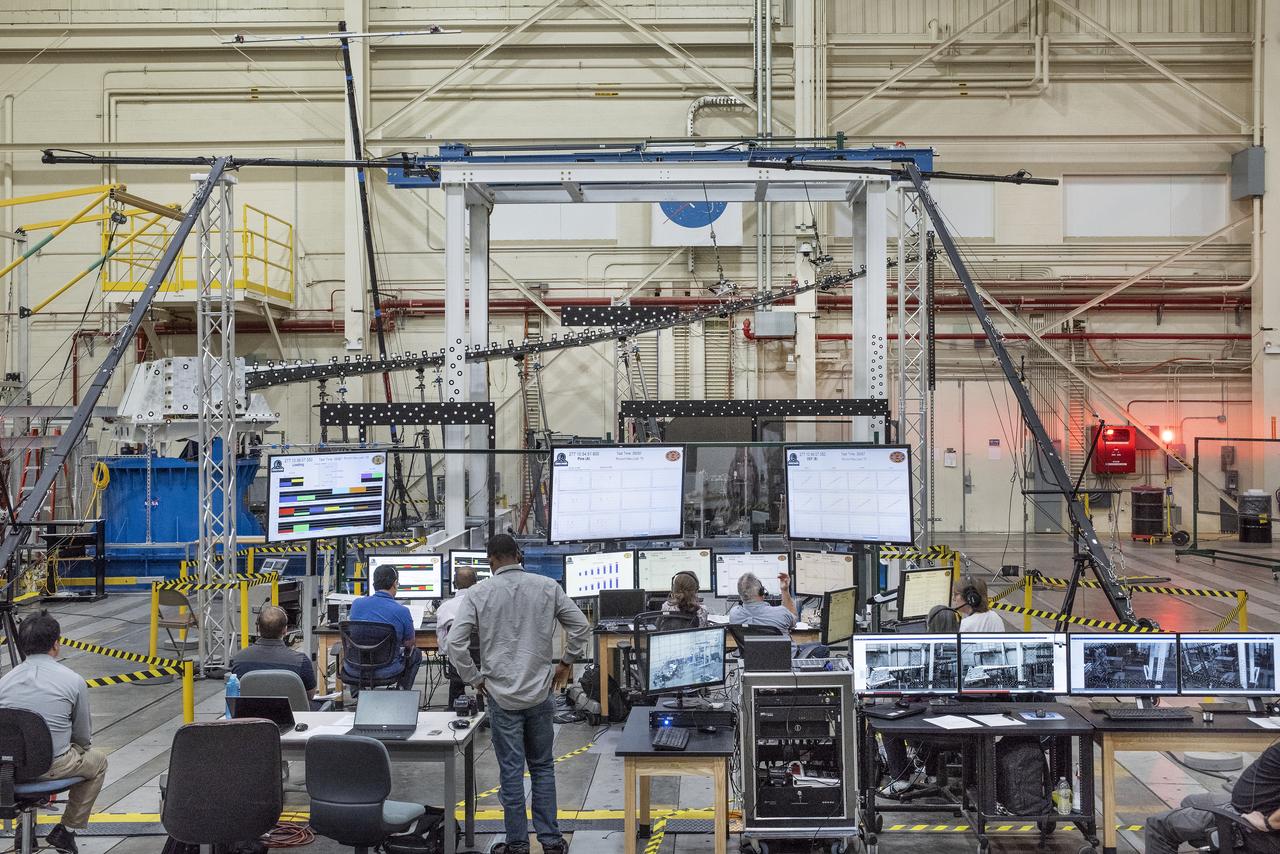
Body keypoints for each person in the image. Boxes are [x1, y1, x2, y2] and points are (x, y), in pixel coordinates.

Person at [446, 535, 591, 854]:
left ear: (490, 560)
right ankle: (551, 842)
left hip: (501, 695)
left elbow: (454, 644)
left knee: (510, 771)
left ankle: (516, 844)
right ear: (518, 555)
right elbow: (581, 627)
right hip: (540, 694)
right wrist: (566, 662)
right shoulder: (547, 586)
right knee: (542, 766)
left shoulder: (477, 593)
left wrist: (474, 678)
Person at [0, 612, 108, 854]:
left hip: (9, 770)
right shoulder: (73, 680)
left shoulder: (4, 682)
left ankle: (23, 831)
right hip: (53, 766)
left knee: (24, 750)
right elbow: (82, 738)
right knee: (98, 761)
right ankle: (66, 831)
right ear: (56, 644)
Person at [880, 605, 960, 795]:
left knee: (888, 726)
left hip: (928, 733)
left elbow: (911, 696)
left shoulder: (924, 654)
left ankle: (901, 779)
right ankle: (932, 775)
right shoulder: (964, 649)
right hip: (961, 734)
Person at [1146, 743, 1280, 854]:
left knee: (1159, 826)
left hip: (1252, 822)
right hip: (1247, 804)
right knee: (1190, 802)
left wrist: (1268, 823)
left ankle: (1233, 842)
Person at [348, 565, 423, 691]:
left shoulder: (356, 604)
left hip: (356, 669)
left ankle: (358, 694)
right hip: (387, 670)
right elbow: (410, 643)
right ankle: (402, 693)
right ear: (394, 584)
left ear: (374, 584)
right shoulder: (402, 611)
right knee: (416, 654)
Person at [228, 605, 316, 698]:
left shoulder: (239, 659)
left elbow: (236, 693)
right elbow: (309, 696)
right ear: (285, 630)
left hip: (251, 712)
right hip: (289, 712)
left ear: (258, 629)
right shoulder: (301, 661)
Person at [435, 565, 479, 706]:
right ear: (476, 583)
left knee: (454, 665)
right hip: (485, 665)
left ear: (454, 584)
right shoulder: (486, 605)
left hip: (456, 668)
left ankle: (454, 709)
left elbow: (443, 646)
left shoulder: (444, 609)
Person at [727, 571, 797, 634]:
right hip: (783, 648)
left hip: (751, 649)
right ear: (762, 592)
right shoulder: (782, 613)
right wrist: (785, 590)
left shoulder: (734, 614)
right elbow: (794, 619)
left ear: (740, 595)